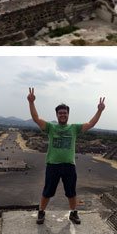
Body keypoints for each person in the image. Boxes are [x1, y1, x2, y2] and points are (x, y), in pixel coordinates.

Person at [27, 87, 106, 225]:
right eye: (60, 113)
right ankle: (41, 211)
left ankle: (73, 213)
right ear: (56, 115)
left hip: (69, 165)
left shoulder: (74, 128)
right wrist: (31, 102)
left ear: (68, 114)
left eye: (65, 113)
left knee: (71, 191)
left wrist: (99, 110)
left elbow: (91, 123)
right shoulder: (51, 127)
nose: (62, 115)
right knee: (47, 191)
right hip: (53, 165)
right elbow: (35, 118)